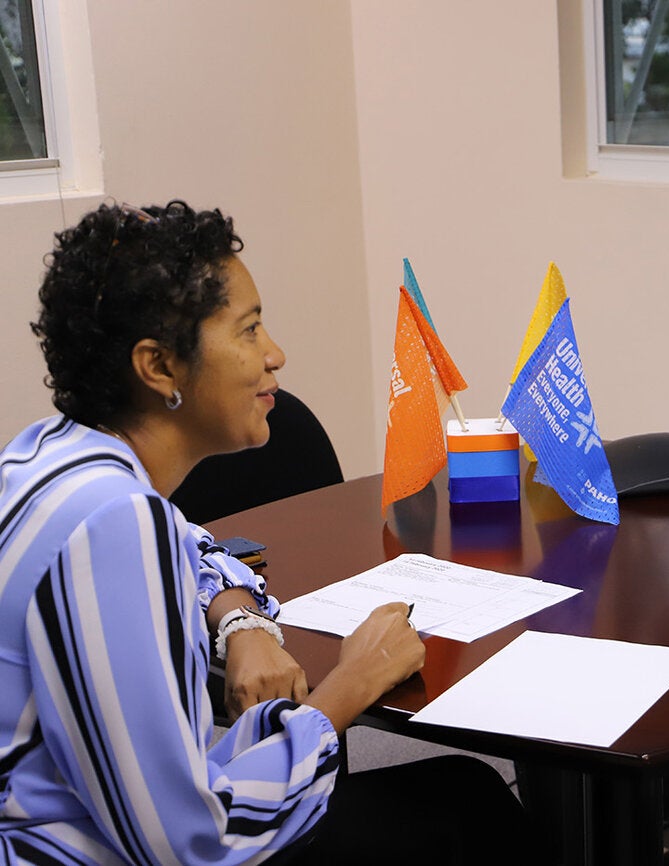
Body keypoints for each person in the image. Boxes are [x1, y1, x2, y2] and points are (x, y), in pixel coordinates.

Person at [0, 201, 528, 864]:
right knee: (467, 809)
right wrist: (351, 684)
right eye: (248, 331)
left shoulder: (46, 454)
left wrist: (238, 621)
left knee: (458, 793)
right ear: (159, 367)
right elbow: (189, 842)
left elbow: (192, 549)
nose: (276, 354)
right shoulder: (116, 522)